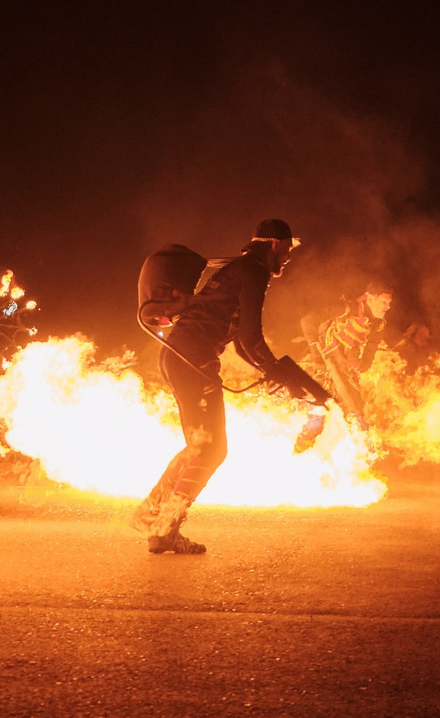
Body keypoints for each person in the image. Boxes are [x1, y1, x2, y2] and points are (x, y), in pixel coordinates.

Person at [131, 220, 332, 555]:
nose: (287, 258)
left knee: (200, 446)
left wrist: (276, 374)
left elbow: (241, 344)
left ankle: (155, 516)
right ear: (271, 246)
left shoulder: (240, 270)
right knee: (210, 448)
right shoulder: (253, 272)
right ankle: (164, 526)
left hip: (183, 358)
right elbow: (251, 338)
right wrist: (281, 375)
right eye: (285, 250)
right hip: (191, 361)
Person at [314, 290, 391, 421]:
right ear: (370, 299)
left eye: (389, 303)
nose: (388, 306)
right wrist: (323, 356)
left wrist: (356, 362)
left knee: (352, 407)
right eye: (384, 302)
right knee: (320, 407)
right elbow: (310, 322)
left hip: (344, 371)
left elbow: (366, 361)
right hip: (323, 360)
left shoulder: (378, 327)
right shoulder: (347, 309)